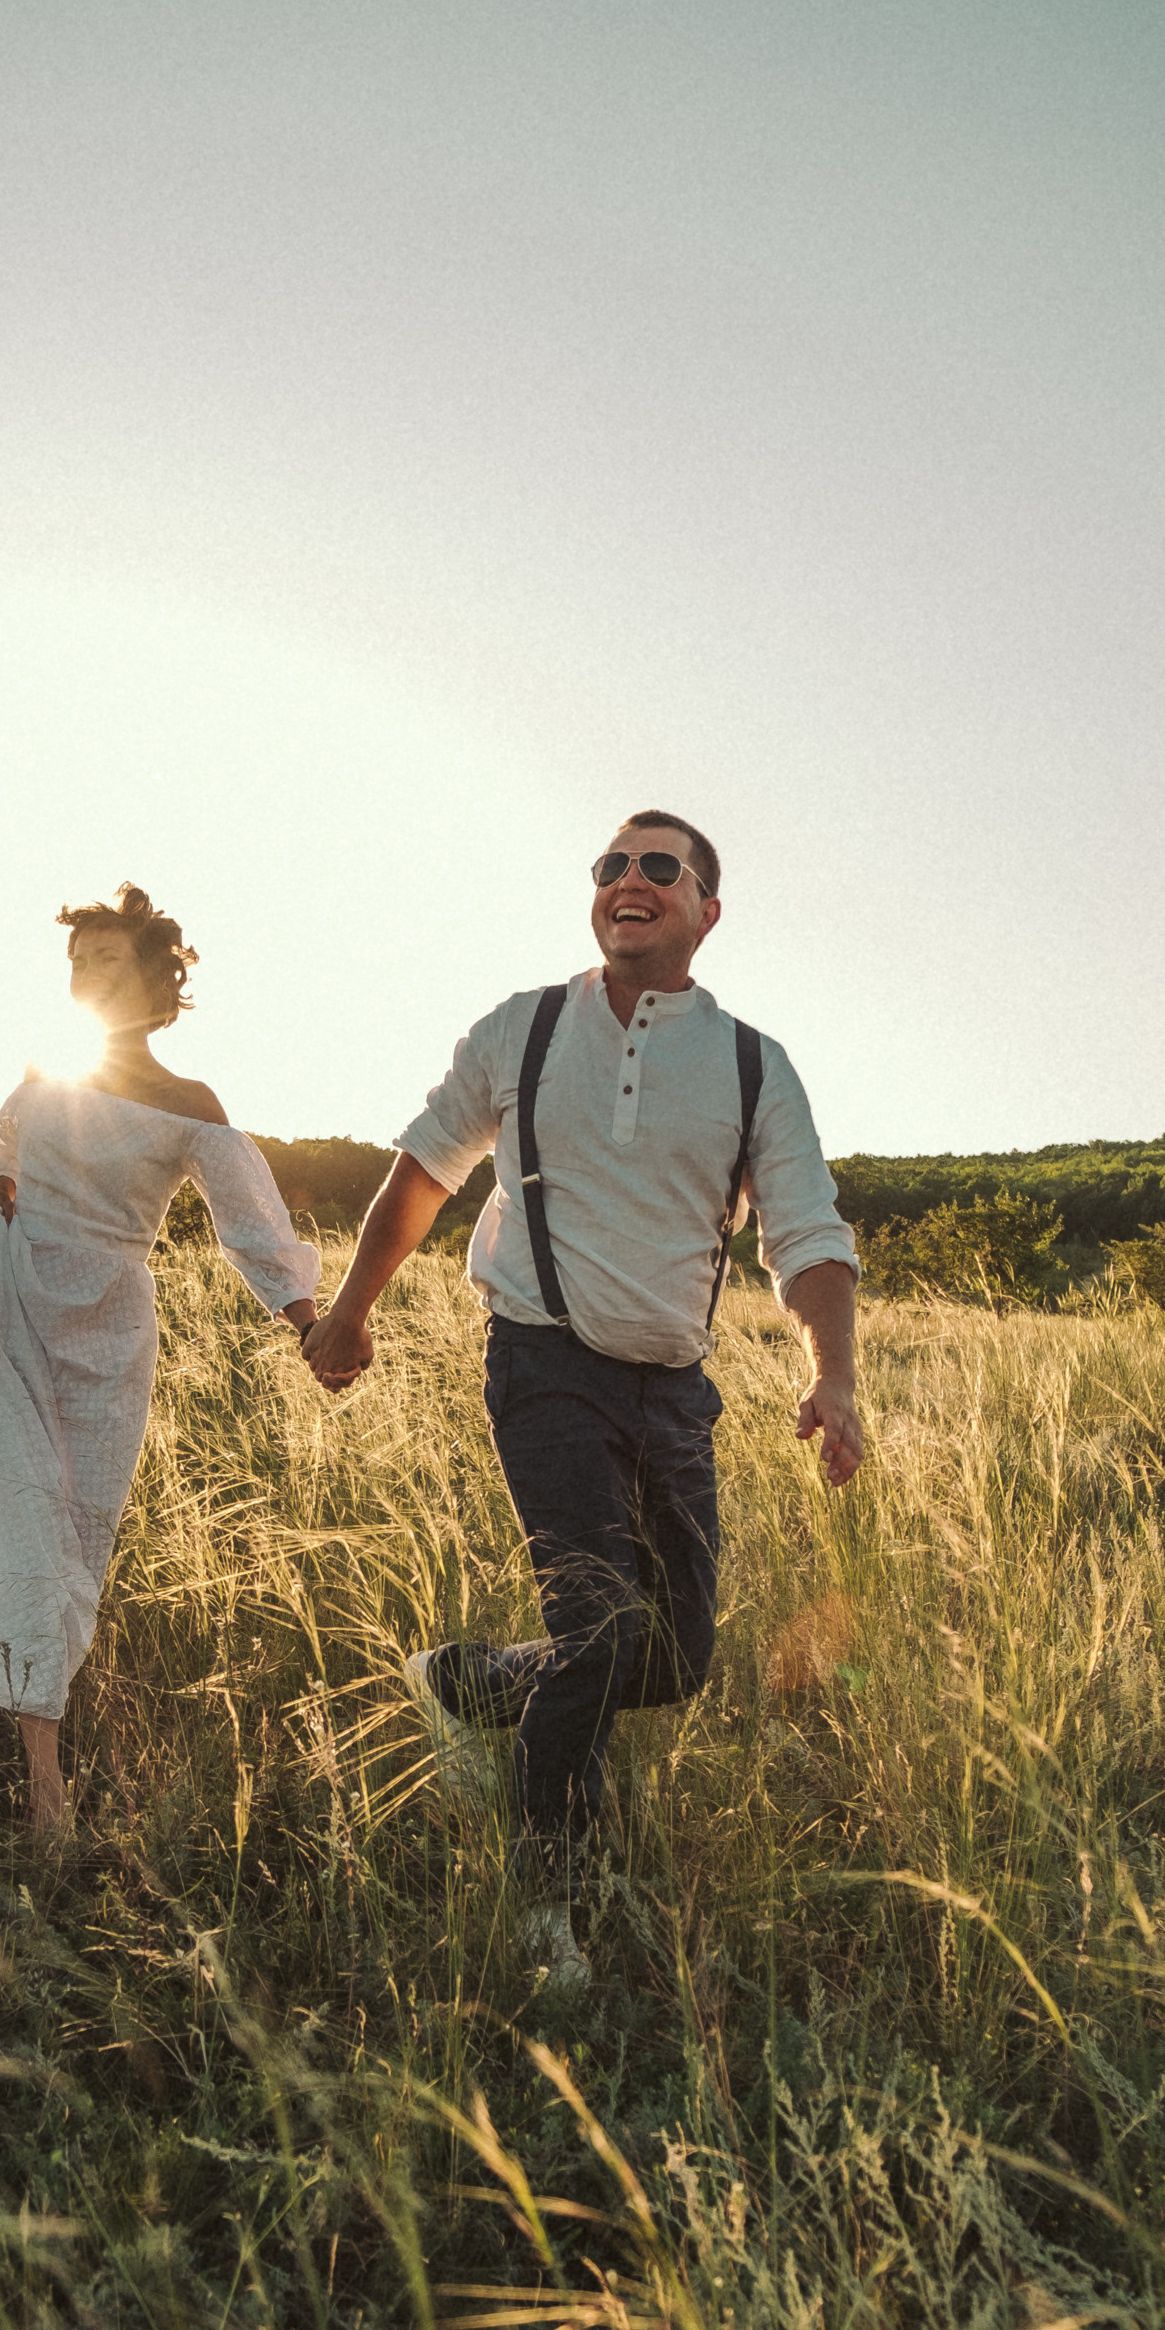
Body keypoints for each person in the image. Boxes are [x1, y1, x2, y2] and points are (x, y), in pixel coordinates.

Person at [299, 811, 862, 1979]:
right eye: (609, 865)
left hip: (671, 1389)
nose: (628, 880)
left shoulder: (753, 1064)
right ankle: (548, 1906)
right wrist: (350, 1309)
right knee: (599, 1627)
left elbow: (806, 1230)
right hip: (540, 1356)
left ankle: (461, 1683)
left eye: (661, 867)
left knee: (674, 1657)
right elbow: (424, 1169)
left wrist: (833, 1373)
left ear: (706, 909)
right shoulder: (523, 1029)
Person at [0, 883, 320, 1835]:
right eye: (76, 964)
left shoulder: (189, 1105)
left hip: (107, 1326)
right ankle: (47, 1793)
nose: (85, 977)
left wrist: (310, 1320)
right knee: (14, 1509)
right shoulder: (46, 1074)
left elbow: (252, 1227)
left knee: (74, 1533)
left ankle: (9, 1685)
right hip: (3, 1301)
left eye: (107, 961)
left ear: (158, 978)